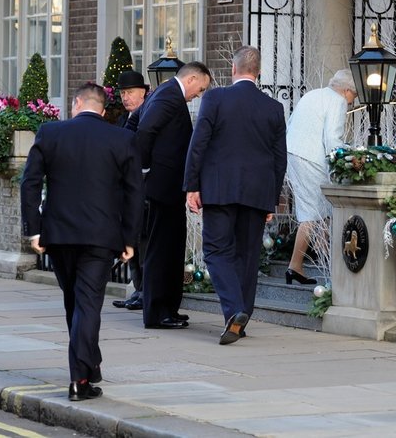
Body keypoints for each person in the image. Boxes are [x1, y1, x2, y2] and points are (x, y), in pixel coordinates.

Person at [20, 83, 144, 402]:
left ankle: (90, 364)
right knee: (86, 304)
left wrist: (33, 230)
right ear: (103, 111)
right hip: (101, 237)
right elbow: (134, 193)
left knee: (75, 303)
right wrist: (130, 238)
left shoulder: (50, 133)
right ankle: (80, 379)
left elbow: (30, 182)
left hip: (59, 236)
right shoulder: (121, 138)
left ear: (75, 104)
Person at [184, 45, 286, 345]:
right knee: (248, 256)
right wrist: (272, 199)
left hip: (219, 189)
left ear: (233, 68)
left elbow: (198, 142)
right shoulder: (273, 108)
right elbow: (280, 158)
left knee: (215, 250)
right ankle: (240, 320)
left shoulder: (215, 97)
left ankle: (234, 310)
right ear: (259, 73)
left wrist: (192, 185)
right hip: (257, 192)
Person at [136, 60, 212, 330]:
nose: (198, 95)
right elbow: (144, 130)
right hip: (162, 185)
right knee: (162, 249)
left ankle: (168, 307)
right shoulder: (169, 95)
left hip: (169, 185)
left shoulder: (164, 93)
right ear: (191, 79)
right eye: (200, 89)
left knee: (172, 247)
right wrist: (145, 167)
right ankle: (158, 312)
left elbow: (137, 122)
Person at [284, 68, 358, 284]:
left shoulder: (313, 94)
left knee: (321, 212)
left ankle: (327, 262)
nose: (353, 101)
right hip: (312, 159)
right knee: (313, 213)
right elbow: (333, 140)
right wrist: (350, 158)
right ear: (346, 91)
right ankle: (296, 266)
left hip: (294, 155)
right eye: (354, 95)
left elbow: (291, 125)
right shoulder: (338, 101)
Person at [111, 69, 149, 311]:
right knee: (131, 244)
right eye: (123, 93)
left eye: (130, 92)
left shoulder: (148, 115)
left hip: (144, 191)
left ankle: (146, 291)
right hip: (126, 192)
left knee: (143, 244)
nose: (125, 97)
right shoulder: (122, 120)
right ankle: (138, 289)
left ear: (143, 92)